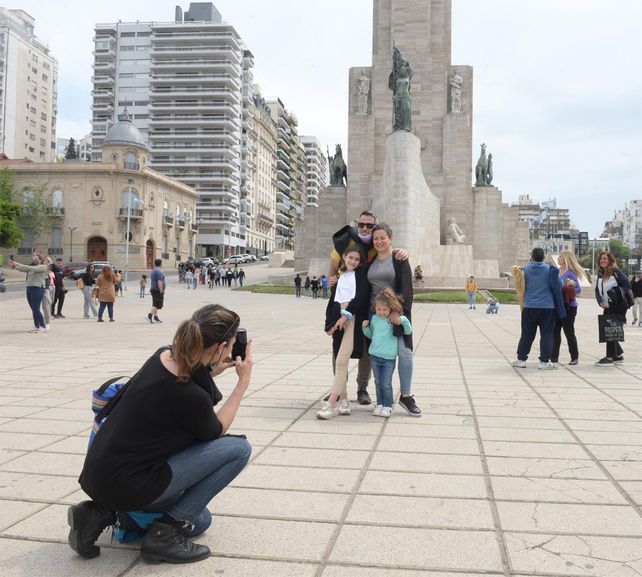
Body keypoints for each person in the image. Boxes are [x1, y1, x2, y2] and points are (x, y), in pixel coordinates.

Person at [69, 304, 253, 564]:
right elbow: (215, 430)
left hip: (101, 474)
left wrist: (212, 369)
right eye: (232, 344)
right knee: (210, 503)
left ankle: (100, 511)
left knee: (194, 511)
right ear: (222, 346)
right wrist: (242, 383)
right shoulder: (189, 395)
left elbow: (185, 383)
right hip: (129, 483)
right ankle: (163, 535)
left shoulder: (163, 356)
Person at [328, 210, 408, 406]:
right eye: (361, 224)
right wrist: (332, 283)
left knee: (366, 349)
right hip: (345, 307)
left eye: (369, 226)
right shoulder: (342, 245)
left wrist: (402, 251)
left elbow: (387, 252)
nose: (364, 228)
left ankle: (362, 388)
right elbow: (333, 275)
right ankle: (339, 389)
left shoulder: (375, 245)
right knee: (338, 349)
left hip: (367, 307)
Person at [367, 223, 421, 416]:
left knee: (405, 354)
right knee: (379, 356)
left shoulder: (398, 259)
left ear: (390, 238)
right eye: (375, 238)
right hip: (375, 315)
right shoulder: (370, 258)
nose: (379, 241)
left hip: (396, 315)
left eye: (382, 237)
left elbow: (407, 288)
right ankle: (382, 399)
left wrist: (400, 313)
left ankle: (406, 395)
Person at [317, 246, 369, 420]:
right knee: (339, 357)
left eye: (356, 259)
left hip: (352, 318)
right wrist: (329, 324)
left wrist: (346, 316)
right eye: (350, 257)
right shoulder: (339, 277)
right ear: (344, 258)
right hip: (337, 319)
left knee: (341, 359)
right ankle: (344, 400)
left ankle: (332, 402)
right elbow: (333, 302)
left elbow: (361, 297)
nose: (353, 261)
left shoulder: (361, 275)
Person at [513, 248, 566, 370]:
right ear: (543, 257)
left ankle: (521, 359)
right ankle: (544, 361)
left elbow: (520, 285)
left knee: (527, 334)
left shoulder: (525, 269)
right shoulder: (550, 270)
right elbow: (559, 285)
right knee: (547, 334)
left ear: (531, 256)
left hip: (529, 306)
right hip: (548, 307)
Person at [362, 288, 412, 418]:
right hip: (374, 356)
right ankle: (379, 404)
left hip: (388, 358)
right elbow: (371, 335)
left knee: (386, 383)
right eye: (379, 309)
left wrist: (404, 320)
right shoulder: (374, 319)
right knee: (378, 382)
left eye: (384, 309)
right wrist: (364, 328)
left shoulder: (393, 320)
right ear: (375, 308)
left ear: (390, 308)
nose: (382, 312)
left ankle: (388, 405)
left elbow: (408, 331)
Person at [594, 251, 631, 366]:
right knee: (610, 328)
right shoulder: (601, 273)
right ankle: (618, 355)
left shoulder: (615, 271)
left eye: (605, 259)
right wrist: (600, 301)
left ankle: (609, 358)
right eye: (601, 259)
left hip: (617, 306)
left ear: (610, 260)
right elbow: (597, 290)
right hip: (607, 305)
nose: (602, 261)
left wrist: (616, 294)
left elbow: (627, 284)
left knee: (609, 329)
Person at [551, 250, 588, 365]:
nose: (558, 259)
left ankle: (574, 357)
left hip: (569, 307)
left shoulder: (570, 273)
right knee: (555, 332)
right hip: (557, 306)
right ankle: (554, 357)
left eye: (560, 257)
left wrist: (568, 287)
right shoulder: (557, 272)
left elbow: (578, 289)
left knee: (569, 332)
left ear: (566, 259)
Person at [8, 252, 49, 333]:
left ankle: (43, 326)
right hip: (29, 288)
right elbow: (24, 268)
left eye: (36, 257)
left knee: (36, 309)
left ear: (40, 259)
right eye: (33, 256)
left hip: (38, 288)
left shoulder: (43, 267)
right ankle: (36, 326)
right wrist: (14, 266)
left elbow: (29, 268)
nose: (33, 258)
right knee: (33, 309)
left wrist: (17, 263)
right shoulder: (32, 267)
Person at [148, 259, 165, 324]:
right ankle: (149, 315)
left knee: (155, 303)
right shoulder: (158, 271)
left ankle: (155, 317)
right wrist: (161, 290)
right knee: (158, 304)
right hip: (157, 290)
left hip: (153, 289)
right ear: (160, 264)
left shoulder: (153, 270)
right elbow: (159, 281)